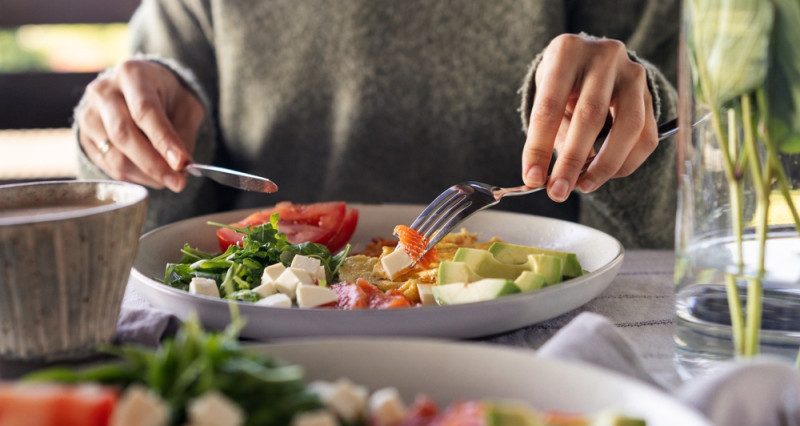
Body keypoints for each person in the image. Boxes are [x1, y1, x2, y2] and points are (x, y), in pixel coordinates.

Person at [74, 0, 679, 248]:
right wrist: (121, 142)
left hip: (550, 351)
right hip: (256, 345)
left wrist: (628, 118)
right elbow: (145, 244)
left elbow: (658, 253)